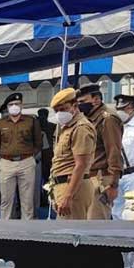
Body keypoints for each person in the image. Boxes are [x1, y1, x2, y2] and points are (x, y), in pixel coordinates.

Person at [0, 93, 43, 220]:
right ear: (7, 107)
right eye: (11, 104)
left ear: (22, 105)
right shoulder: (0, 123)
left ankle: (26, 231)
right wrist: (6, 155)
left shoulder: (31, 121)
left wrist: (29, 156)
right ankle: (5, 230)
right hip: (7, 162)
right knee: (6, 200)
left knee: (27, 200)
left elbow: (38, 143)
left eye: (17, 104)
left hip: (26, 161)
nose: (14, 106)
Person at [76, 84, 123, 219]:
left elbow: (114, 151)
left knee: (96, 223)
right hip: (88, 178)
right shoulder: (88, 118)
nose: (80, 106)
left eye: (83, 102)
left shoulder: (107, 119)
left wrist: (113, 184)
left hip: (101, 178)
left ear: (96, 100)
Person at [48, 88, 96, 219]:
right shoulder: (67, 127)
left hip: (73, 188)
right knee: (64, 233)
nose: (59, 113)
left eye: (63, 109)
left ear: (75, 106)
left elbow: (80, 165)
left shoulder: (81, 128)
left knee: (70, 234)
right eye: (56, 111)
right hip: (65, 186)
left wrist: (68, 196)